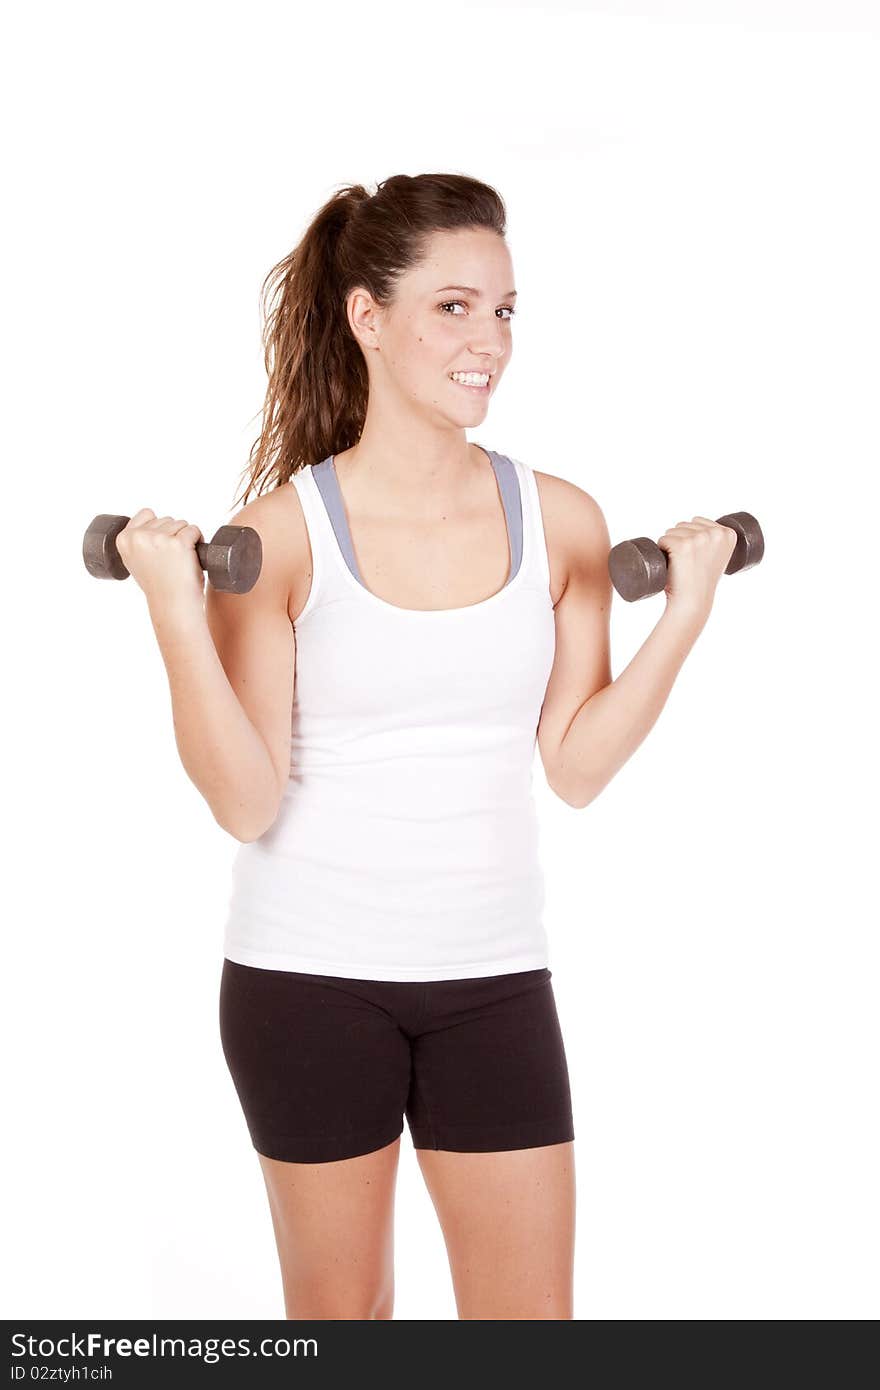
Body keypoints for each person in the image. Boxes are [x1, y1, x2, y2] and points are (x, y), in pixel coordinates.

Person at [116, 173, 738, 1320]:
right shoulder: (279, 540)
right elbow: (245, 802)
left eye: (503, 311)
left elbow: (577, 765)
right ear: (368, 317)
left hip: (493, 981)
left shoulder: (559, 519)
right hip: (307, 983)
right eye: (453, 308)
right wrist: (171, 614)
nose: (487, 342)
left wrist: (686, 616)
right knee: (346, 1329)